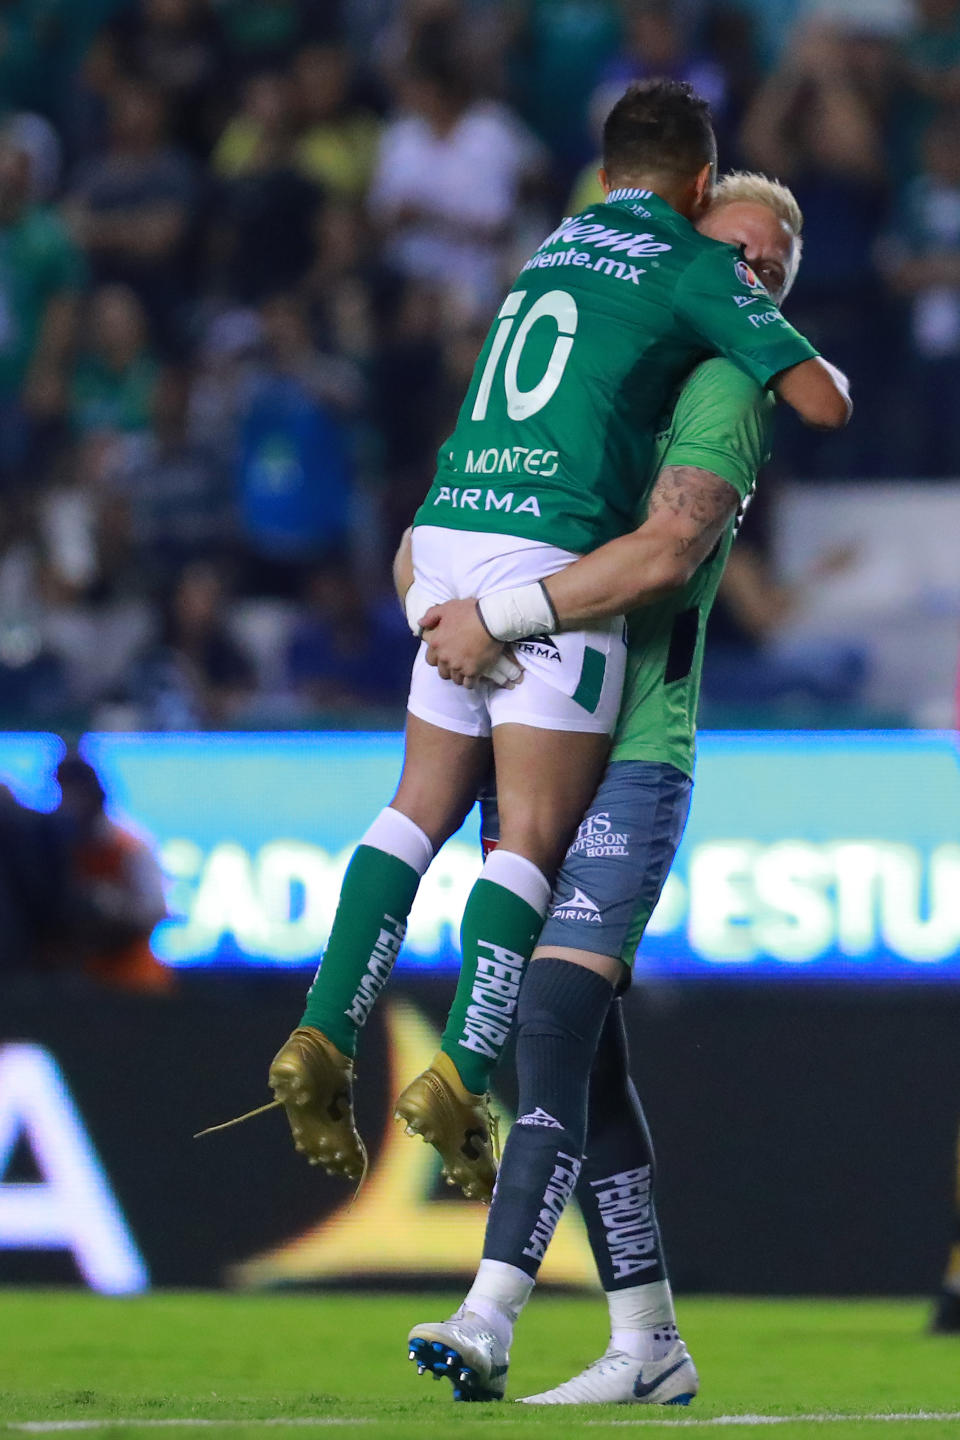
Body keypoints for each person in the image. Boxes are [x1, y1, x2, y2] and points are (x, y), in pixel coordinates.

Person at [257, 80, 848, 1203]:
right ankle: (463, 1073)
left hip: (442, 529)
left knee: (413, 807)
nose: (748, 273)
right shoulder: (692, 272)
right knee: (526, 834)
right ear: (698, 190)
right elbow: (823, 403)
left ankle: (324, 1031)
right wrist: (773, 328)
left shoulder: (554, 247)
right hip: (545, 557)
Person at [404, 172, 847, 1404]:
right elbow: (429, 530)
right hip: (540, 734)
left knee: (545, 1025)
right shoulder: (598, 378)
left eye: (771, 266)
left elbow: (660, 557)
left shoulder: (722, 388)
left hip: (633, 752)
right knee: (582, 1065)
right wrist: (435, 604)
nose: (749, 273)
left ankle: (490, 1314)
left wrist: (488, 611)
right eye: (734, 251)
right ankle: (648, 1342)